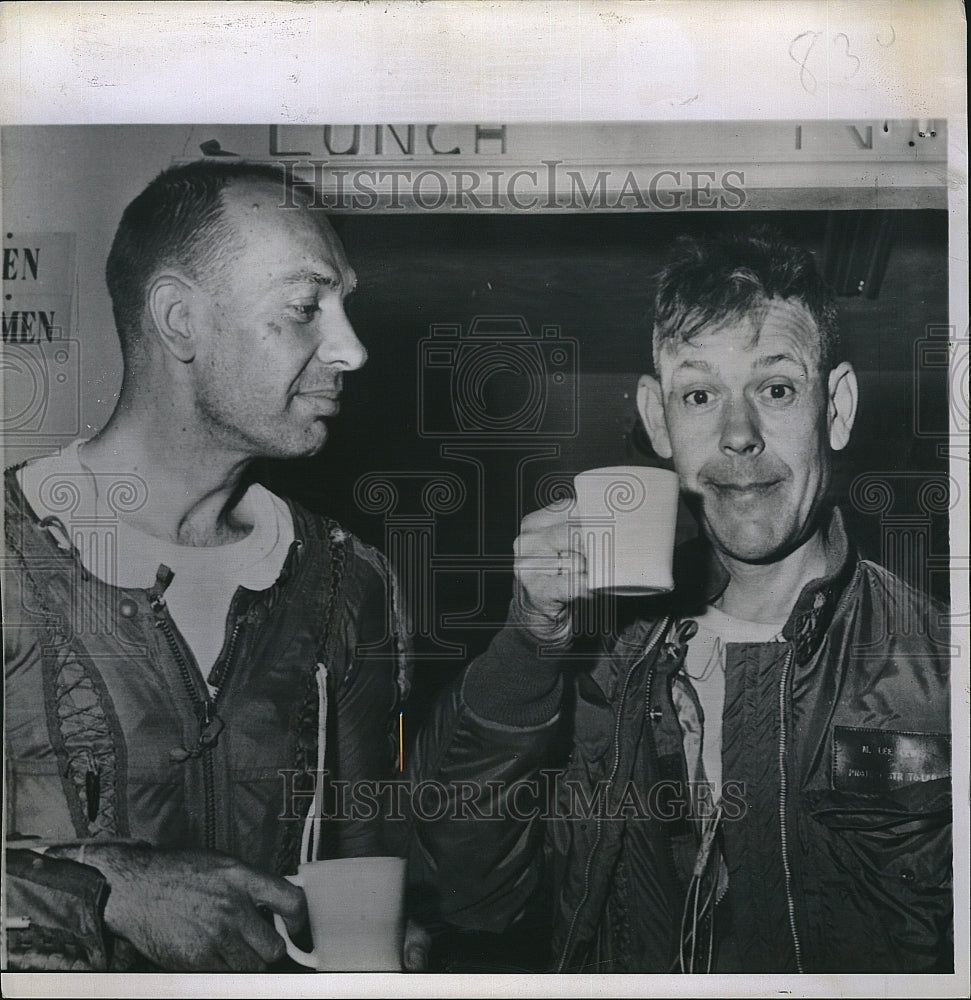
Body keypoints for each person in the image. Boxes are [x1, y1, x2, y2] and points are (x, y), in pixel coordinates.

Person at [406, 229, 953, 973]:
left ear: (836, 406)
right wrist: (528, 646)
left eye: (776, 389)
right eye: (699, 395)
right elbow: (470, 894)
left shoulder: (937, 667)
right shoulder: (599, 660)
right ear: (658, 419)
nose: (737, 436)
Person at [2, 160, 417, 971]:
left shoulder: (348, 580)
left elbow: (369, 858)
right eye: (305, 308)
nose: (352, 348)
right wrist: (107, 891)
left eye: (344, 305)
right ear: (179, 320)